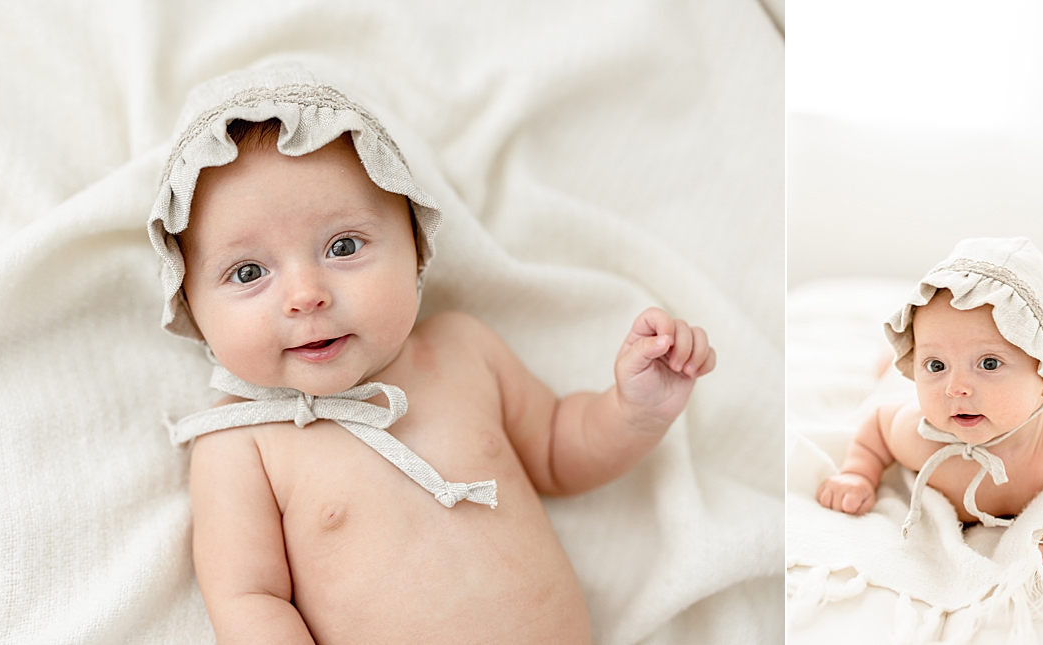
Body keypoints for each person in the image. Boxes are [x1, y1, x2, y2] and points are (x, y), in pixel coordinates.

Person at [146, 63, 715, 644]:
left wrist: (632, 410)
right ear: (191, 308)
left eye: (343, 246)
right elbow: (248, 601)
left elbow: (556, 451)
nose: (305, 296)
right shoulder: (241, 443)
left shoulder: (462, 351)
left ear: (415, 244)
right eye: (248, 272)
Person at [816, 237, 1043, 570]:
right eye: (935, 365)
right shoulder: (918, 433)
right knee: (884, 378)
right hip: (897, 391)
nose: (956, 389)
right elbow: (877, 425)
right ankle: (890, 363)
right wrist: (857, 474)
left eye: (988, 364)